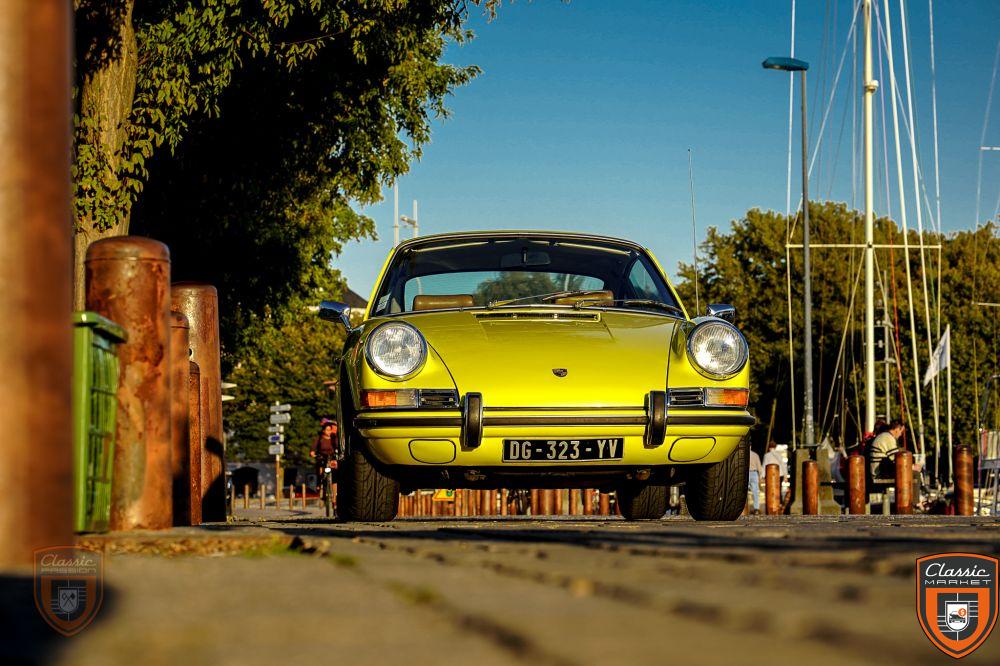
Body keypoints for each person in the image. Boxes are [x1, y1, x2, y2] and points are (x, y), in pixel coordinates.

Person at [747, 447, 764, 515]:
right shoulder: (755, 455)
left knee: (744, 492)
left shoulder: (743, 455)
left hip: (746, 474)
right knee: (755, 492)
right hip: (754, 473)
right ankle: (756, 508)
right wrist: (760, 476)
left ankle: (744, 509)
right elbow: (759, 466)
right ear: (750, 447)